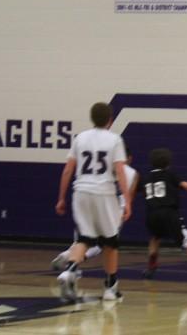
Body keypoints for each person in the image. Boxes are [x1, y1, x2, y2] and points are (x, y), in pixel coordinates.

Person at [54, 102, 131, 302]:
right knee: (110, 242)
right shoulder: (115, 139)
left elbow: (68, 170)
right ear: (110, 120)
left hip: (81, 191)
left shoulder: (80, 138)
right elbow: (120, 171)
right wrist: (128, 200)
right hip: (104, 193)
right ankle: (110, 288)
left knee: (84, 239)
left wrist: (61, 198)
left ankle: (69, 271)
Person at [51, 146, 139, 272]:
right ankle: (71, 262)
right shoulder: (131, 173)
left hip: (88, 202)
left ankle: (68, 256)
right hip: (112, 212)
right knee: (100, 246)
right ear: (129, 158)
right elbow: (129, 196)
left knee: (82, 241)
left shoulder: (102, 166)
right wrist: (127, 207)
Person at [141, 147, 187, 279]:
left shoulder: (147, 177)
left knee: (155, 238)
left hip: (152, 214)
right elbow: (186, 186)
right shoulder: (170, 174)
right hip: (168, 212)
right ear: (168, 163)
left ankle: (151, 266)